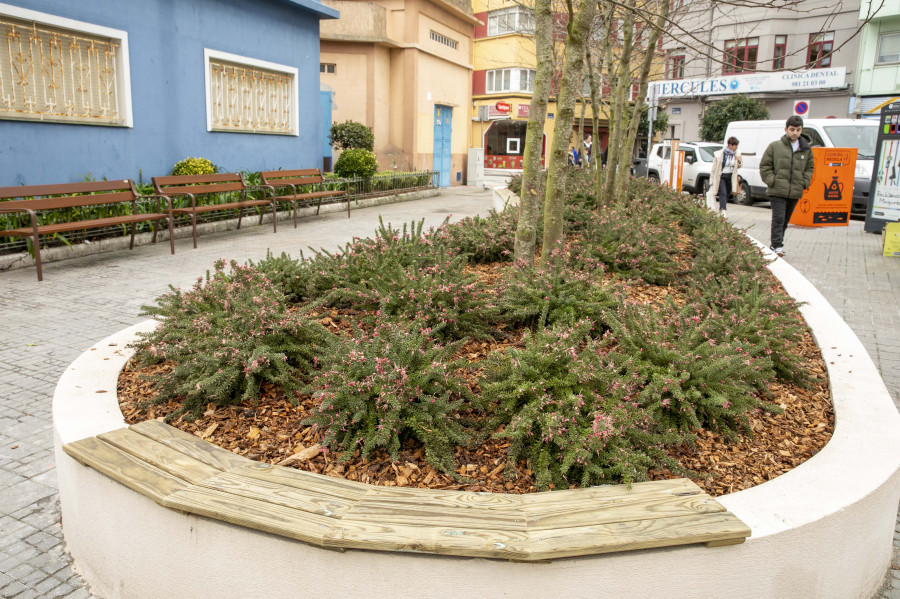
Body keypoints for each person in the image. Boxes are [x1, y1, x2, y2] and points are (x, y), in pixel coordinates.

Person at [760, 115, 815, 258]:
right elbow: (765, 166)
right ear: (786, 129)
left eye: (798, 129)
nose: (795, 133)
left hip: (795, 190)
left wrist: (804, 182)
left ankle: (776, 244)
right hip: (777, 190)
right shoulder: (774, 146)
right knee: (778, 218)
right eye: (792, 129)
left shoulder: (806, 149)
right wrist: (772, 180)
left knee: (785, 219)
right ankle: (777, 246)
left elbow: (810, 168)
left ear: (801, 130)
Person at [708, 136, 743, 219]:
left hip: (730, 177)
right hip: (722, 176)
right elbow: (714, 168)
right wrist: (711, 180)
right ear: (730, 145)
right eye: (735, 146)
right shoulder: (720, 154)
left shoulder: (737, 154)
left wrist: (738, 161)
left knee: (727, 193)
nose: (736, 148)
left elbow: (739, 166)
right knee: (723, 193)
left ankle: (721, 209)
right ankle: (723, 211)